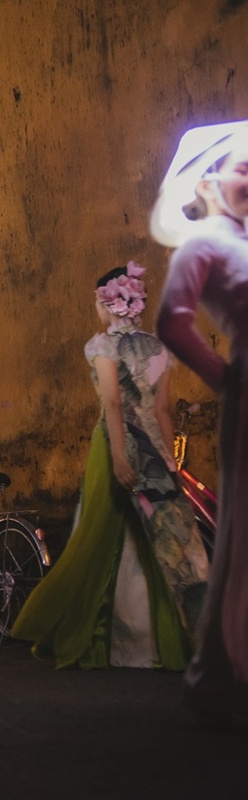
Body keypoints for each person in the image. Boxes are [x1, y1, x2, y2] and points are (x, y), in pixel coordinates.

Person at [11, 264, 209, 669]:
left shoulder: (102, 346)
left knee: (101, 534)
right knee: (165, 545)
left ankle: (104, 637)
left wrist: (120, 455)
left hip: (116, 445)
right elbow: (161, 408)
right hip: (157, 451)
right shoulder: (160, 348)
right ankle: (168, 641)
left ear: (110, 302)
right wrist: (170, 459)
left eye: (97, 302)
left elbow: (114, 403)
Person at [152, 122, 248, 722]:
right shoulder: (203, 244)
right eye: (243, 168)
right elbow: (172, 322)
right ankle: (216, 679)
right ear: (208, 181)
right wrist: (225, 377)